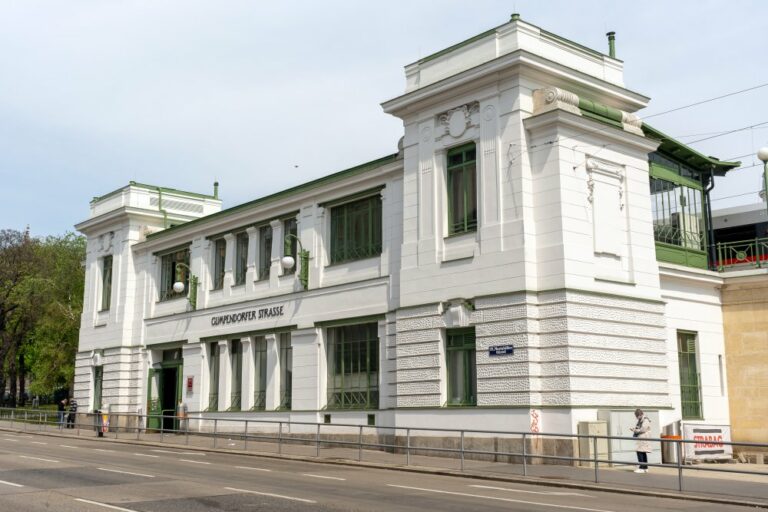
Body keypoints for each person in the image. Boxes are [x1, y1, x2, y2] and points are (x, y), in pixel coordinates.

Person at [629, 408, 652, 473]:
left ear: (639, 414)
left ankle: (642, 468)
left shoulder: (645, 420)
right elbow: (640, 428)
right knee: (642, 452)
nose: (636, 417)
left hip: (644, 438)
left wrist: (635, 430)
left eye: (637, 416)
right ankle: (645, 467)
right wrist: (635, 429)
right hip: (642, 438)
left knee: (640, 452)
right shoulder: (641, 420)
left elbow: (643, 429)